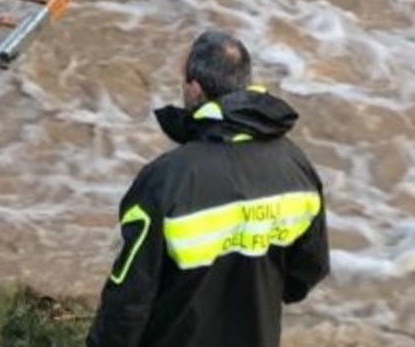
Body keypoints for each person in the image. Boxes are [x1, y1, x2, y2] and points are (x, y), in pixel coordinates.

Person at [87, 30, 330, 347]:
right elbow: (307, 272)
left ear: (194, 89)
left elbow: (129, 299)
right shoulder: (297, 166)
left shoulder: (167, 179)